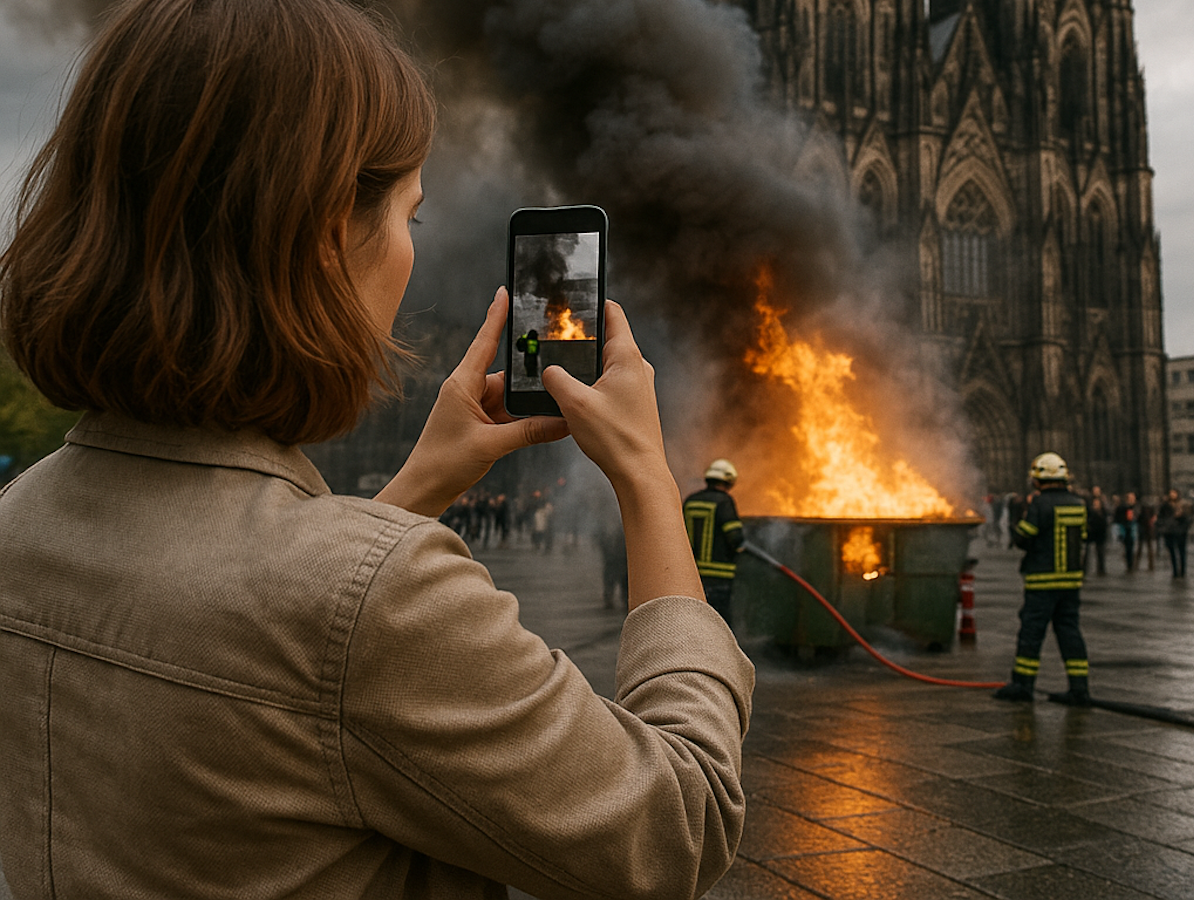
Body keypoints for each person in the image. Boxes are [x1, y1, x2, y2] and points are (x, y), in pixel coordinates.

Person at [0, 2, 754, 898]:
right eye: (412, 218)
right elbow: (678, 824)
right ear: (328, 238)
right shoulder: (378, 607)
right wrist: (647, 478)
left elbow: (260, 646)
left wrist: (422, 482)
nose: (409, 254)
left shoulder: (23, 522)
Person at [994, 452, 1091, 706]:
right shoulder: (1078, 503)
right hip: (1070, 581)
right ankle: (1079, 687)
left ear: (1038, 479)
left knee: (1032, 632)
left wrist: (1017, 525)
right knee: (1070, 632)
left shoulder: (1039, 504)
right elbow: (1083, 535)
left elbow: (1024, 537)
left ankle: (1023, 684)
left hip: (1042, 581)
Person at [683, 459, 746, 628]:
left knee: (696, 620)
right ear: (729, 480)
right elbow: (735, 537)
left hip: (692, 575)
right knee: (720, 623)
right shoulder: (724, 501)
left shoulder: (691, 501)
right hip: (719, 576)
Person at [1159, 489, 1193, 579]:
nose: (1172, 495)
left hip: (1181, 531)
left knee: (1182, 552)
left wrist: (1183, 523)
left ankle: (1183, 571)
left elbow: (1189, 518)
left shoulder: (1184, 505)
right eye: (1171, 493)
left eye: (1174, 493)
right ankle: (1175, 571)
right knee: (1172, 552)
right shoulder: (1165, 506)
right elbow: (1160, 518)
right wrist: (1164, 526)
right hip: (1170, 531)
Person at [1083, 488, 1109, 575]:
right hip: (1091, 531)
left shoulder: (1103, 504)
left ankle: (1101, 569)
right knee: (1087, 552)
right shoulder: (1089, 503)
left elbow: (1105, 518)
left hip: (1100, 532)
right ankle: (1085, 569)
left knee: (1100, 552)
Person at [1113, 492, 1138, 573]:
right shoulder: (1122, 507)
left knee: (1132, 547)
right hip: (1126, 529)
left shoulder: (1136, 507)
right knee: (1128, 548)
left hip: (1134, 528)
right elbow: (1117, 518)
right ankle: (1129, 564)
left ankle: (1131, 563)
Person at [1135, 496, 1157, 571]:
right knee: (1147, 547)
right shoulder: (1150, 508)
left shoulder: (1141, 508)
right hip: (1146, 528)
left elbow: (1137, 518)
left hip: (1144, 528)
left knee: (1142, 547)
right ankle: (1150, 564)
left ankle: (1137, 564)